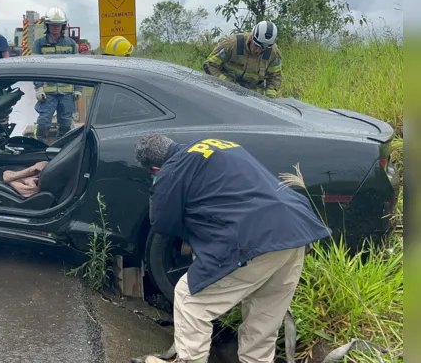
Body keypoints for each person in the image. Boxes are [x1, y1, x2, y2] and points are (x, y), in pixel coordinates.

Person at [134, 134, 331, 363]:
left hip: (255, 239)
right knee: (263, 319)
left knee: (190, 300)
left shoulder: (171, 171)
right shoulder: (217, 144)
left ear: (155, 168)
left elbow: (162, 222)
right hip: (295, 229)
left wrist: (159, 184)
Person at [31, 7, 82, 144]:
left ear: (63, 26)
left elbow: (77, 69)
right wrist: (38, 88)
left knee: (65, 123)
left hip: (67, 93)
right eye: (52, 25)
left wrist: (78, 88)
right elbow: (35, 67)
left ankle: (60, 148)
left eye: (58, 25)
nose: (55, 27)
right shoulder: (39, 44)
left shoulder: (71, 44)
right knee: (43, 122)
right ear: (47, 26)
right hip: (48, 93)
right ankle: (39, 146)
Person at [202, 20, 283, 97]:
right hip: (225, 91)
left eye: (262, 48)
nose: (258, 50)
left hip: (254, 97)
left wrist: (269, 99)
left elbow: (274, 77)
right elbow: (210, 65)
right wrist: (228, 84)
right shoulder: (231, 44)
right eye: (256, 46)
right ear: (251, 37)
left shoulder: (273, 53)